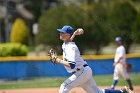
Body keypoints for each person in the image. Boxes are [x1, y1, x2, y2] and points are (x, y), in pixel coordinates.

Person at [50, 25, 132, 93]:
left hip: (81, 72)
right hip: (84, 71)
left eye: (62, 32)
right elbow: (69, 41)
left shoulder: (71, 47)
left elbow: (72, 65)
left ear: (68, 35)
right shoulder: (65, 44)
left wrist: (58, 60)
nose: (60, 33)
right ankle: (122, 91)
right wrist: (74, 33)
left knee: (64, 87)